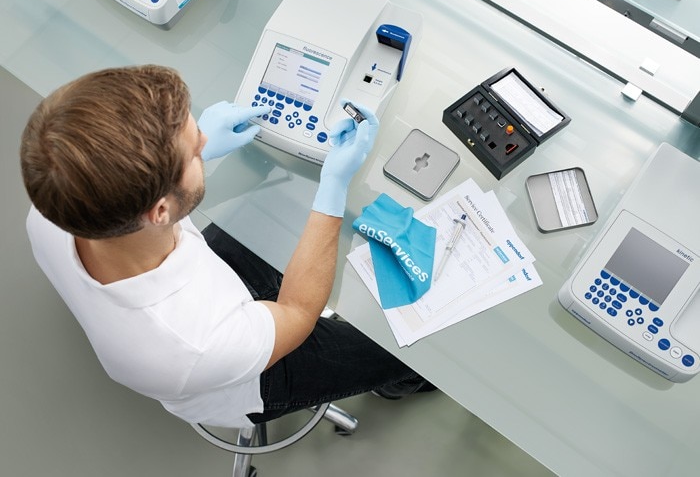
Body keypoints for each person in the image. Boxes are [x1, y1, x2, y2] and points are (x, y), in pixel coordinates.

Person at [20, 65, 433, 429]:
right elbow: (298, 311)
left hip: (204, 290)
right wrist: (333, 187)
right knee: (408, 353)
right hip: (248, 379)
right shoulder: (196, 344)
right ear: (159, 211)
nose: (202, 137)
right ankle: (401, 384)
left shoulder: (51, 207)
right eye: (196, 148)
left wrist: (196, 151)